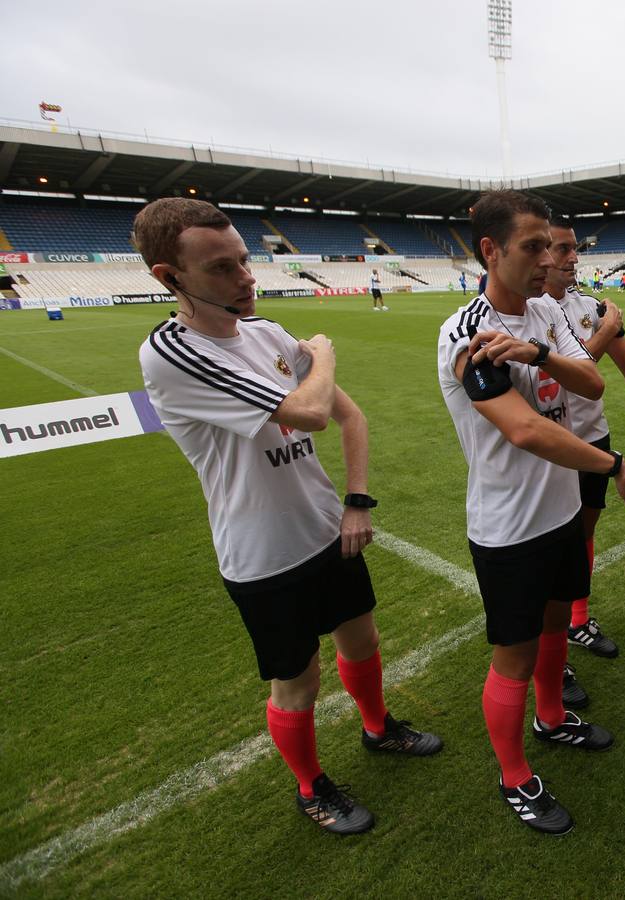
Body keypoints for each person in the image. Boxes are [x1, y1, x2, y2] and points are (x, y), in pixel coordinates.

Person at [135, 198, 441, 836]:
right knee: (296, 680)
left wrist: (356, 500)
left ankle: (379, 728)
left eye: (245, 259)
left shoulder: (267, 333)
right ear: (170, 277)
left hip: (328, 532)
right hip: (262, 553)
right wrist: (324, 353)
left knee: (362, 640)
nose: (246, 277)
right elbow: (308, 411)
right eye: (222, 268)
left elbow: (349, 416)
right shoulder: (172, 352)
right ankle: (311, 788)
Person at [437, 190, 625, 835]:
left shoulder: (544, 311)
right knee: (513, 652)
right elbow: (526, 431)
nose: (547, 260)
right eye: (532, 247)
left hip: (562, 509)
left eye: (550, 246)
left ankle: (552, 717)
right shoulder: (463, 333)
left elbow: (591, 382)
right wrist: (617, 466)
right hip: (509, 526)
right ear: (491, 250)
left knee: (556, 625)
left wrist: (536, 353)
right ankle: (514, 776)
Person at [540, 218, 625, 696]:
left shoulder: (592, 307)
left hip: (593, 440)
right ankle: (550, 655)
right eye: (562, 248)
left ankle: (576, 621)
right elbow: (561, 375)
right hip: (551, 448)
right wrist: (606, 331)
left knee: (584, 534)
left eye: (575, 248)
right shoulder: (529, 313)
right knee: (550, 547)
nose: (573, 256)